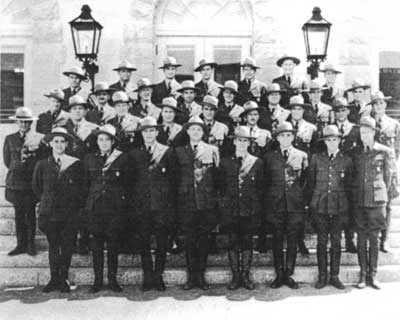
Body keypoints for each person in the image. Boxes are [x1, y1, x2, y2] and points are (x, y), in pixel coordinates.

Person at [33, 127, 85, 293]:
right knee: (54, 246)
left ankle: (63, 279)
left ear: (67, 144)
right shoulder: (42, 164)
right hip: (49, 213)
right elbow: (37, 187)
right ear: (50, 143)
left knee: (68, 246)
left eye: (63, 142)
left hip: (69, 213)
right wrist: (48, 200)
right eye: (56, 141)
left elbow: (81, 189)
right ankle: (54, 279)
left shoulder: (75, 164)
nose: (59, 145)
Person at [128, 117, 176, 291]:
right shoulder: (134, 153)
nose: (148, 133)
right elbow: (131, 181)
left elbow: (173, 180)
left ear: (157, 132)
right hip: (142, 206)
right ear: (141, 133)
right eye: (145, 130)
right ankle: (148, 276)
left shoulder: (167, 152)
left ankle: (158, 276)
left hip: (162, 206)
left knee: (162, 243)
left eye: (151, 130)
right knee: (144, 243)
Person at [174, 116, 219, 290]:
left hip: (206, 203)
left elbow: (216, 177)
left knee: (204, 240)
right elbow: (175, 177)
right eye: (192, 129)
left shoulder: (212, 150)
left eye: (199, 129)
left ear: (203, 132)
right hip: (186, 202)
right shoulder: (179, 151)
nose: (195, 132)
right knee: (190, 240)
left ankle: (201, 276)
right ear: (187, 131)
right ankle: (191, 277)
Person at [84, 124, 129, 293]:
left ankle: (112, 279)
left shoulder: (122, 158)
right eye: (100, 139)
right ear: (97, 141)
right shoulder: (89, 158)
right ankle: (97, 281)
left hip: (114, 208)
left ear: (113, 142)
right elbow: (85, 184)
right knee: (96, 245)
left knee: (113, 245)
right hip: (95, 208)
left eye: (107, 140)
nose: (103, 143)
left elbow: (128, 183)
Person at [306, 125, 353, 290]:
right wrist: (310, 205)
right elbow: (310, 184)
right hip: (320, 206)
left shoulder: (347, 160)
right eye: (328, 140)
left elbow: (349, 186)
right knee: (321, 242)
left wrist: (347, 208)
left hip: (339, 207)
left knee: (336, 242)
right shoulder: (316, 158)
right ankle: (322, 276)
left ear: (339, 140)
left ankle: (334, 275)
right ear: (324, 142)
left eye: (335, 139)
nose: (332, 143)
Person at [352, 117, 396, 290]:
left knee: (374, 239)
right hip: (360, 200)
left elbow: (389, 176)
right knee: (361, 239)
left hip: (377, 200)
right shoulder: (356, 152)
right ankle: (363, 275)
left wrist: (384, 196)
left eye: (367, 132)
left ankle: (374, 274)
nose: (364, 135)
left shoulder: (384, 151)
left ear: (374, 133)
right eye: (362, 132)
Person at [263, 121, 308, 289]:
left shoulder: (302, 155)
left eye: (289, 135)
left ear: (293, 137)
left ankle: (289, 274)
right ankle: (279, 273)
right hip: (276, 205)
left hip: (295, 206)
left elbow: (305, 180)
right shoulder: (269, 157)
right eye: (282, 135)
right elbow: (265, 182)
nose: (285, 138)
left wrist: (300, 198)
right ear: (277, 138)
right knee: (277, 240)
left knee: (292, 240)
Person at [218, 126, 263, 290]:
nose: (242, 143)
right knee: (232, 242)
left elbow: (260, 188)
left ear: (249, 143)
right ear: (234, 141)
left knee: (247, 243)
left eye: (246, 141)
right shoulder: (225, 162)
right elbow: (221, 187)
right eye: (240, 140)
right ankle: (235, 276)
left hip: (249, 209)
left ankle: (245, 275)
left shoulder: (257, 162)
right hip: (231, 210)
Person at [3, 107, 44, 256]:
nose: (24, 125)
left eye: (27, 122)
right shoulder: (10, 138)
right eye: (21, 122)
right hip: (15, 183)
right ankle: (20, 244)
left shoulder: (39, 138)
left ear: (31, 123)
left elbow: (41, 161)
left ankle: (30, 243)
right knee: (19, 215)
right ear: (17, 122)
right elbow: (8, 160)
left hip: (30, 184)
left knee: (30, 214)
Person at [64, 95, 98, 254]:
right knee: (69, 207)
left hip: (86, 173)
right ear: (69, 111)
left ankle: (84, 239)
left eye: (80, 108)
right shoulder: (63, 128)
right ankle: (70, 241)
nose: (77, 111)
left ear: (85, 111)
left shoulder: (93, 128)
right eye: (74, 108)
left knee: (84, 207)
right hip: (68, 173)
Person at [370, 91, 400, 252]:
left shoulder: (394, 124)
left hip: (388, 169)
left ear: (385, 105)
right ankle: (373, 237)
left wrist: (393, 168)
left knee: (387, 204)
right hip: (374, 168)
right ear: (373, 107)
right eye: (375, 104)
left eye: (381, 103)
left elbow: (397, 148)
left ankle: (385, 239)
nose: (379, 106)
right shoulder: (368, 123)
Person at [332, 98, 361, 253]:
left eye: (343, 110)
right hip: (335, 175)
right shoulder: (330, 130)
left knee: (351, 207)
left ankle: (350, 239)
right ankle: (336, 239)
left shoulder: (355, 129)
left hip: (351, 175)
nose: (340, 113)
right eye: (337, 110)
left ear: (348, 111)